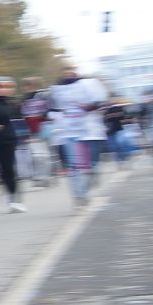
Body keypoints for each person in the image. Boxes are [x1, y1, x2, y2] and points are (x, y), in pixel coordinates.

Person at [47, 63, 107, 205]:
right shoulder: (57, 90)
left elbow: (99, 103)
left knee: (90, 165)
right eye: (66, 70)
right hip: (68, 131)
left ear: (76, 71)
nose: (69, 72)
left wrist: (89, 107)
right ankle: (78, 196)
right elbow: (52, 109)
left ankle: (84, 189)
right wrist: (56, 118)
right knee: (74, 165)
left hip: (88, 131)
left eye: (71, 70)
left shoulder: (88, 84)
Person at [0, 77, 27, 212]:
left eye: (7, 87)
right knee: (5, 170)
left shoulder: (16, 104)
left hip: (16, 140)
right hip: (0, 141)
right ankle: (11, 195)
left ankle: (14, 198)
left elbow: (22, 120)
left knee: (12, 170)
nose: (3, 89)